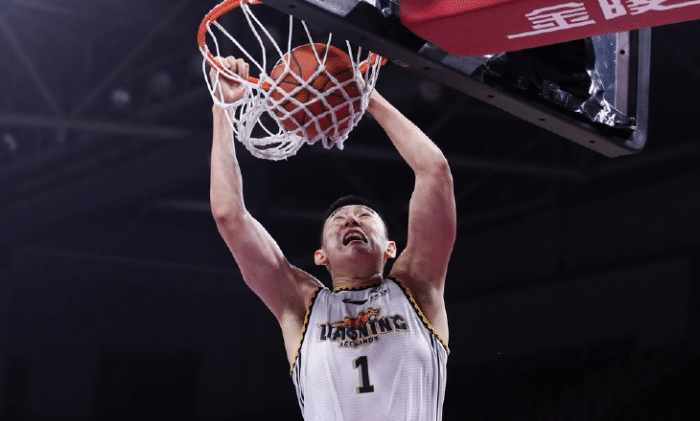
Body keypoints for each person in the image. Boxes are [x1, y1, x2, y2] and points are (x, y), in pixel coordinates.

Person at [209, 56, 456, 420]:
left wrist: (365, 95)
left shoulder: (418, 288)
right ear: (321, 255)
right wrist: (223, 109)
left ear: (390, 248)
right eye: (338, 220)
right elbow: (230, 216)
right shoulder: (300, 304)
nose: (351, 220)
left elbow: (434, 171)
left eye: (365, 217)